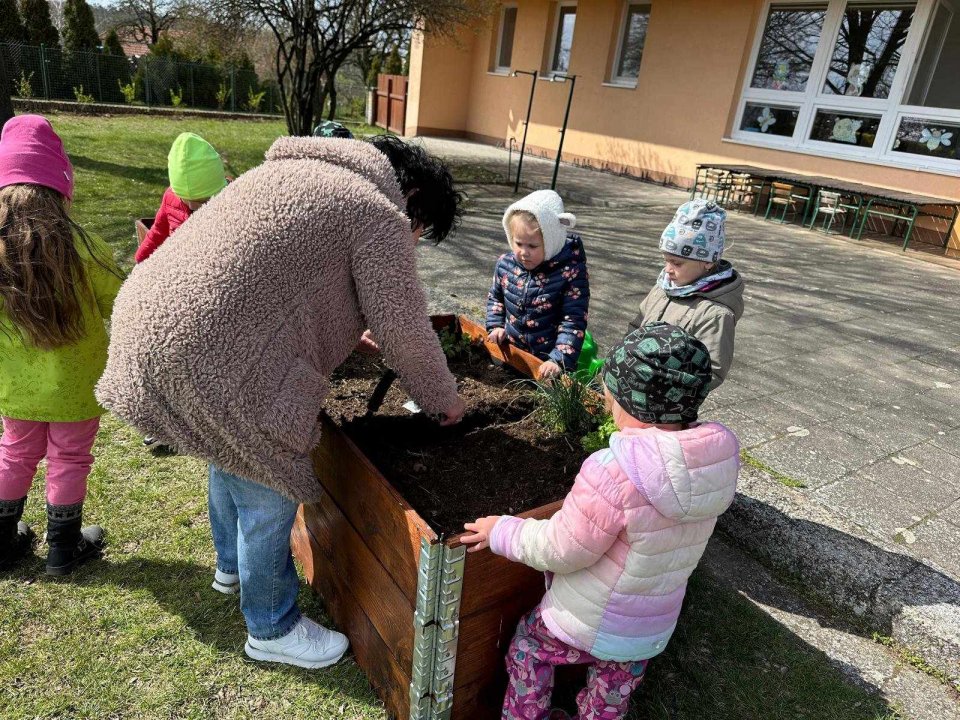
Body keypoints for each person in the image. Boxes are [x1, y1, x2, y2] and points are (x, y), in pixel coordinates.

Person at [95, 134, 466, 669]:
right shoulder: (377, 211)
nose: (413, 240)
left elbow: (275, 277)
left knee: (228, 451)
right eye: (421, 230)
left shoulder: (287, 174)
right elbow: (405, 328)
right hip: (218, 355)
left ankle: (231, 567)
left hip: (148, 320)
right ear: (410, 199)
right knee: (269, 483)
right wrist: (443, 399)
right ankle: (272, 627)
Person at [462, 322, 740, 720]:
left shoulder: (615, 470)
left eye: (610, 391)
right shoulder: (712, 466)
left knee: (529, 649)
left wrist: (502, 531)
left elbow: (562, 548)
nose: (605, 399)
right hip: (648, 631)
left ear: (630, 401)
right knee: (610, 695)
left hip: (590, 622)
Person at [0, 115, 124, 575]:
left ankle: (2, 541)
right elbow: (121, 302)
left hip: (15, 387)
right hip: (77, 386)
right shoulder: (85, 247)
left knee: (14, 452)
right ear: (61, 184)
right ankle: (62, 550)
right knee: (69, 458)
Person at [627, 199, 744, 389]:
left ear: (707, 261)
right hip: (632, 383)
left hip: (664, 398)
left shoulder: (716, 314)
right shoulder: (663, 288)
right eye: (666, 260)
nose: (667, 270)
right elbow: (635, 327)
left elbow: (712, 370)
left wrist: (663, 388)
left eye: (677, 263)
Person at [486, 190, 589, 379]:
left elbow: (573, 320)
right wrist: (496, 326)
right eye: (518, 243)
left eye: (532, 246)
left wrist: (558, 359)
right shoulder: (505, 265)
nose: (524, 252)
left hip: (548, 365)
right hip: (513, 354)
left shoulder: (570, 273)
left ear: (551, 241)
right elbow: (496, 298)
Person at [134, 132, 226, 264]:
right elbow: (159, 230)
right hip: (179, 264)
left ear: (218, 190)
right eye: (184, 199)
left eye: (202, 201)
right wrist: (140, 260)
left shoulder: (229, 199)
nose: (192, 206)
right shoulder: (170, 197)